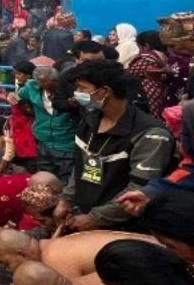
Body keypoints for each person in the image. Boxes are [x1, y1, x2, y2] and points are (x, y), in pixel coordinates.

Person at [54, 60, 176, 232]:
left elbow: (139, 189)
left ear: (104, 92)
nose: (77, 93)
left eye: (82, 88)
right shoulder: (89, 121)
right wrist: (66, 200)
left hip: (125, 229)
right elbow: (81, 167)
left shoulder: (150, 134)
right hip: (86, 219)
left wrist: (95, 218)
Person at [0, 226, 157, 280]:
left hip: (156, 264)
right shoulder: (52, 246)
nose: (10, 270)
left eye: (7, 263)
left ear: (23, 254)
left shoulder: (55, 261)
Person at [12, 66, 80, 180]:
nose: (51, 90)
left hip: (67, 144)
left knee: (66, 181)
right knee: (45, 182)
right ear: (38, 83)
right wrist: (12, 95)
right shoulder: (31, 87)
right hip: (43, 142)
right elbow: (18, 96)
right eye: (45, 86)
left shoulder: (69, 89)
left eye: (54, 85)